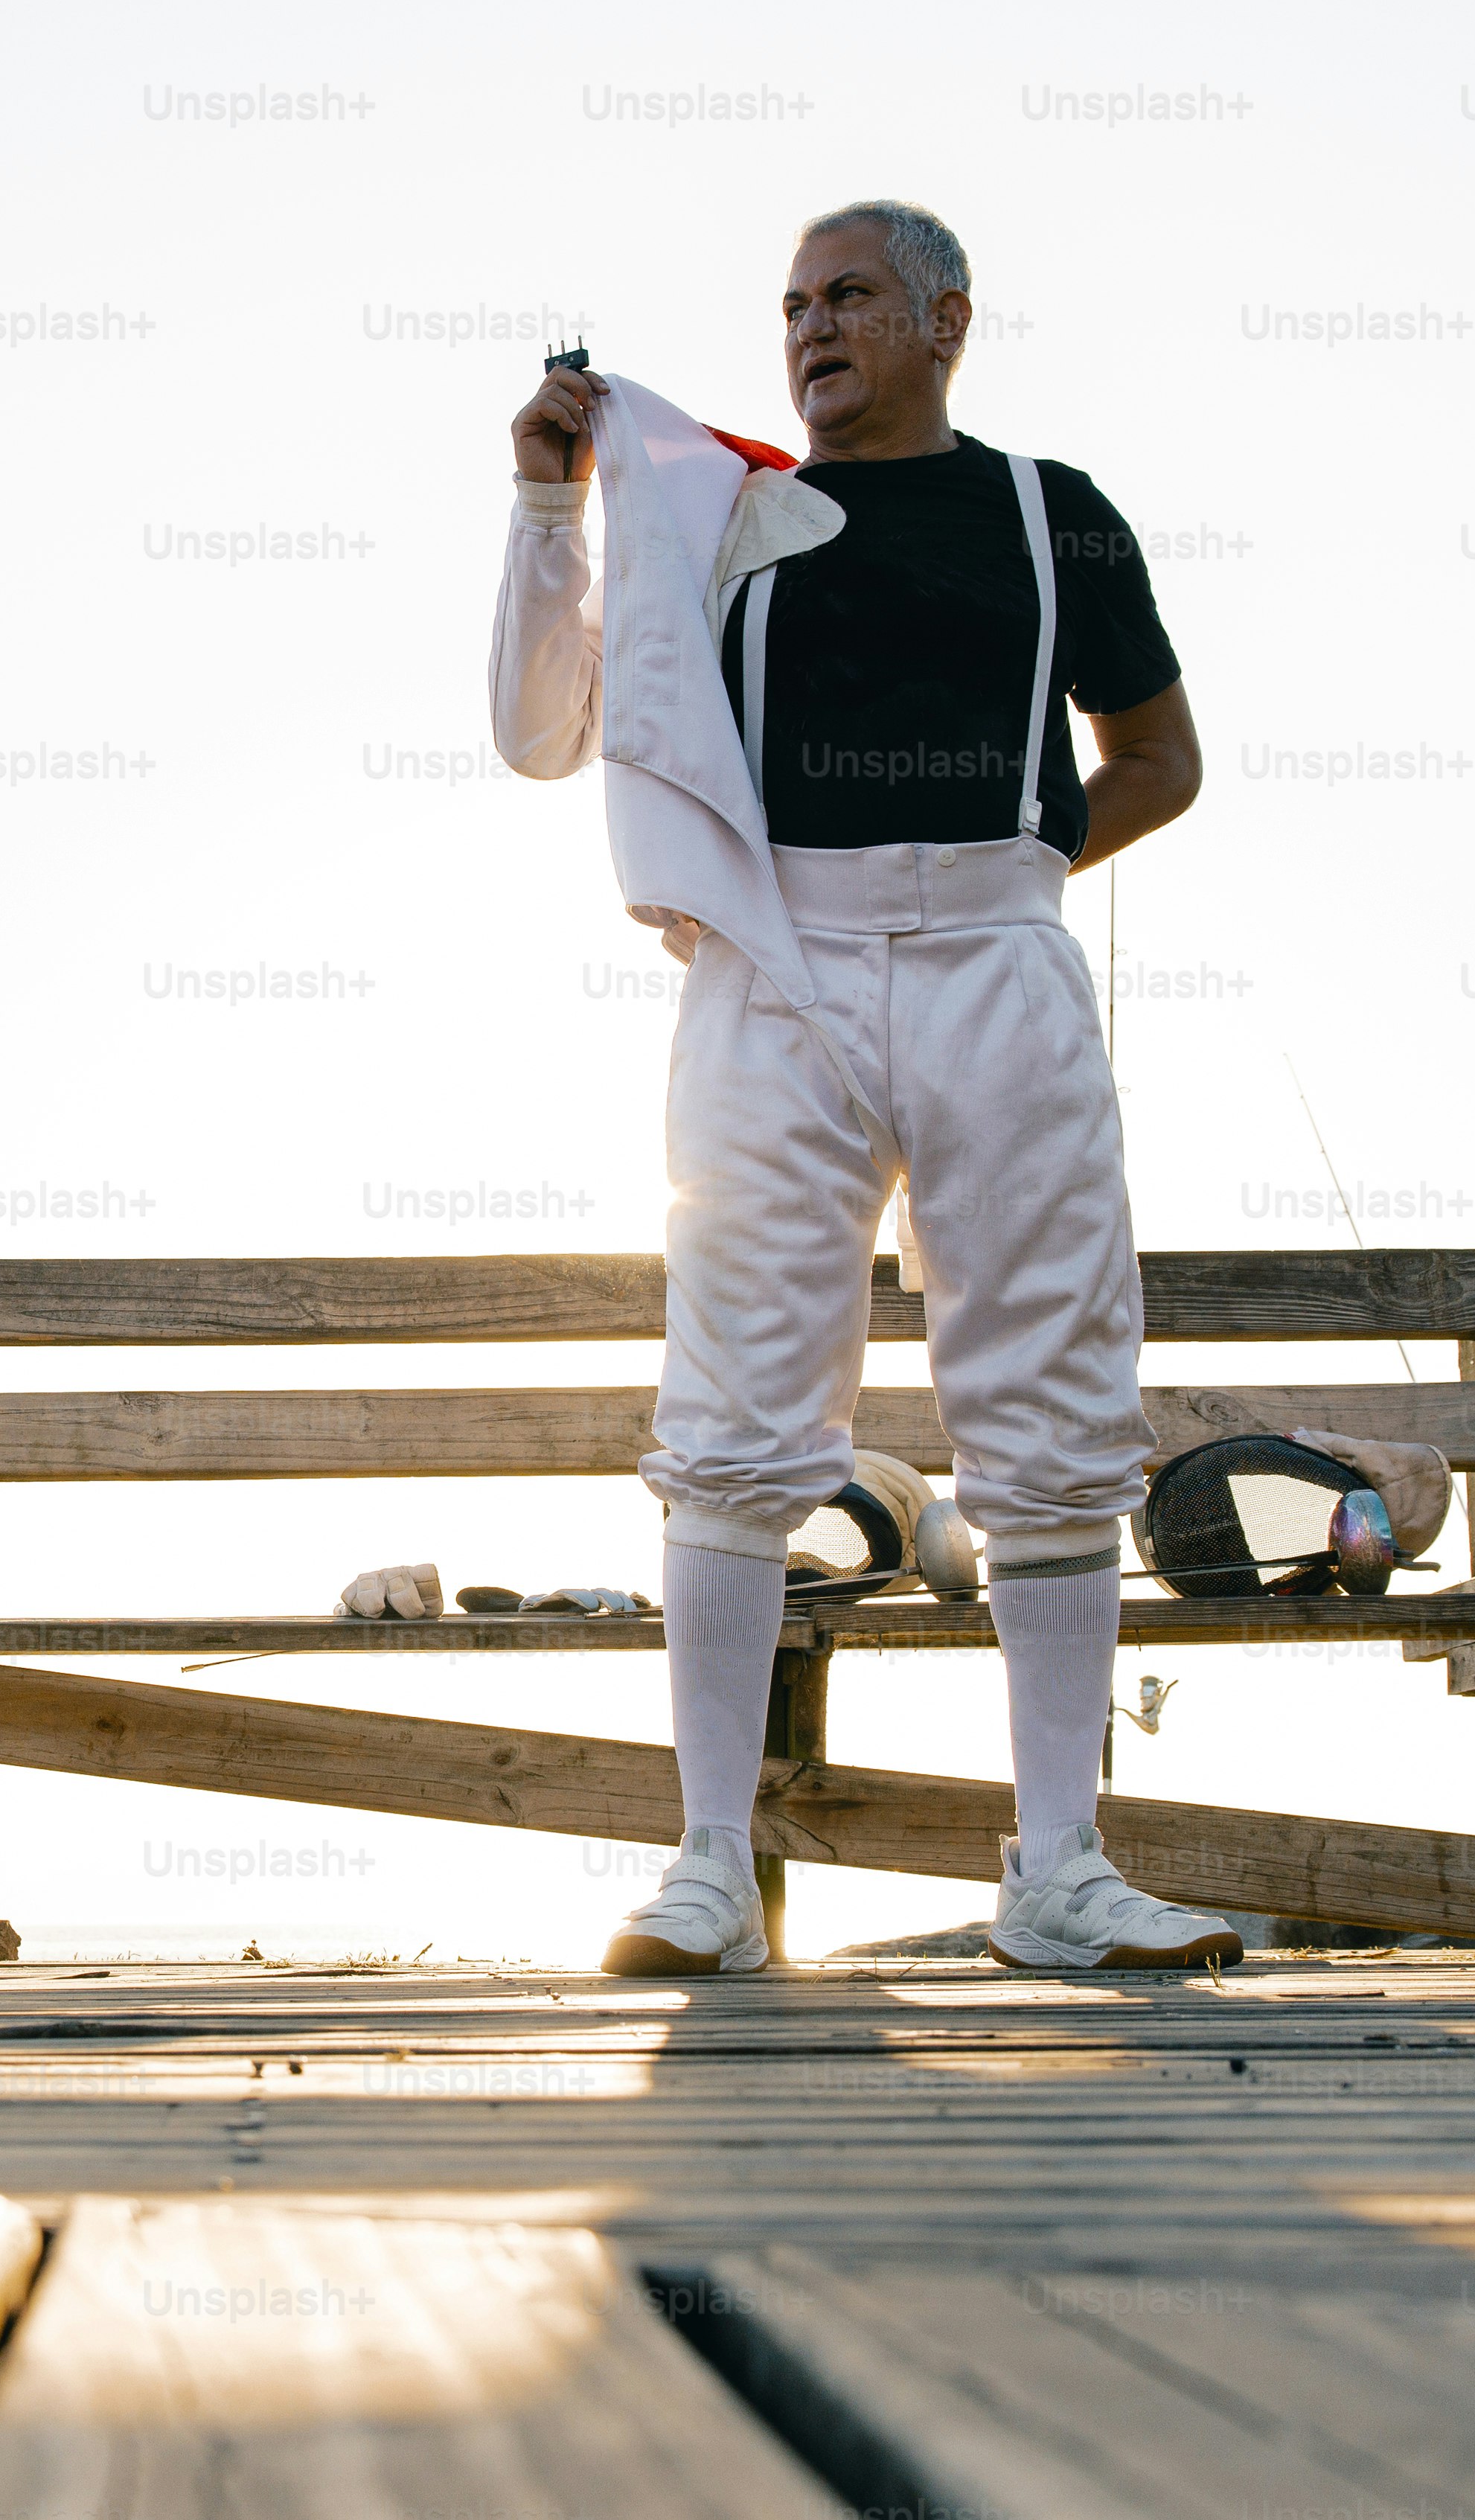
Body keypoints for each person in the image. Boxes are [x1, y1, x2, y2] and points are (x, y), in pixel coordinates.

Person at [487, 199, 1236, 1974]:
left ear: (943, 319)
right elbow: (539, 732)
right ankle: (707, 1870)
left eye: (847, 298)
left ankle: (1058, 1867)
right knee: (738, 1413)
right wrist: (540, 507)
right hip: (774, 972)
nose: (811, 329)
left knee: (1053, 1414)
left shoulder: (1058, 515)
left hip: (1000, 959)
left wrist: (1023, 862)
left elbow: (1163, 759)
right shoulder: (715, 508)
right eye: (791, 305)